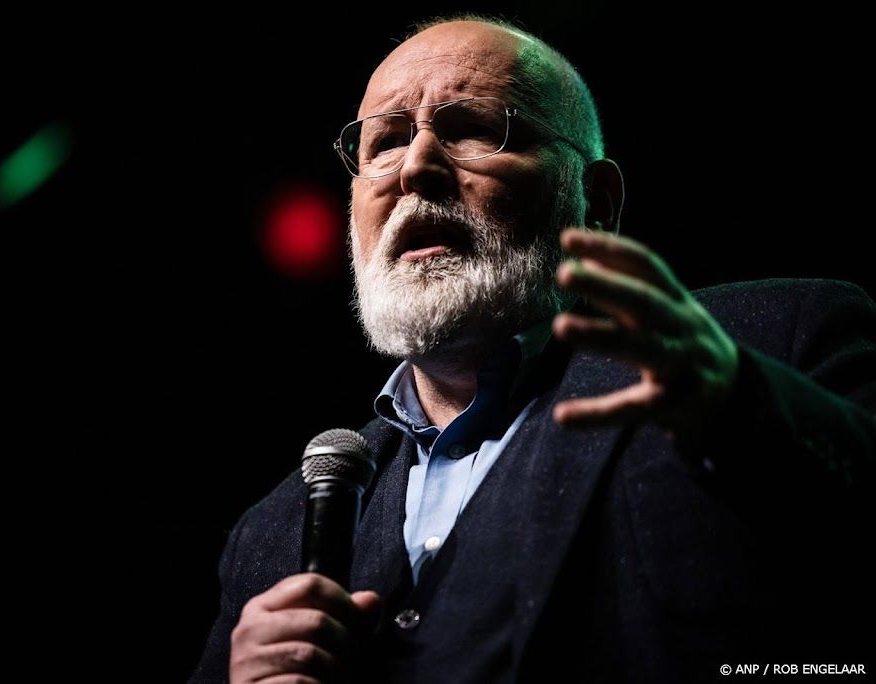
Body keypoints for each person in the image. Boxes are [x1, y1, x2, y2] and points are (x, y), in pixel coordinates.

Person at [194, 16, 875, 683]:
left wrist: (739, 404)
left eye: (473, 129)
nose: (418, 167)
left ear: (596, 200)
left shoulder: (771, 341)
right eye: (386, 143)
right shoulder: (272, 536)